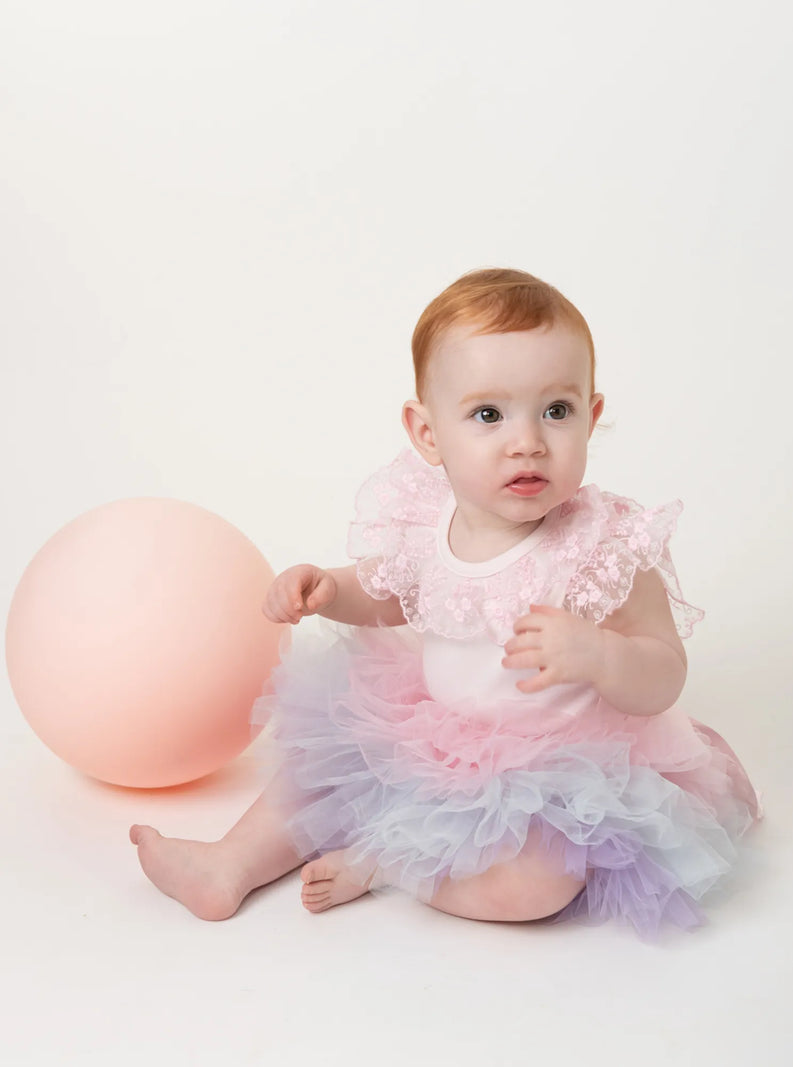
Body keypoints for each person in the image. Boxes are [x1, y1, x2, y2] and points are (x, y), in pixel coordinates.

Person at [130, 268, 761, 938]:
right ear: (427, 433)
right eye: (489, 414)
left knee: (539, 881)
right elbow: (387, 596)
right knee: (321, 769)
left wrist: (601, 654)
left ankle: (389, 865)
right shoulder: (425, 523)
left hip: (558, 773)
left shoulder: (600, 548)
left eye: (557, 410)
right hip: (430, 733)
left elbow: (665, 668)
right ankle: (228, 863)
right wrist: (328, 589)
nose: (528, 440)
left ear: (592, 415)